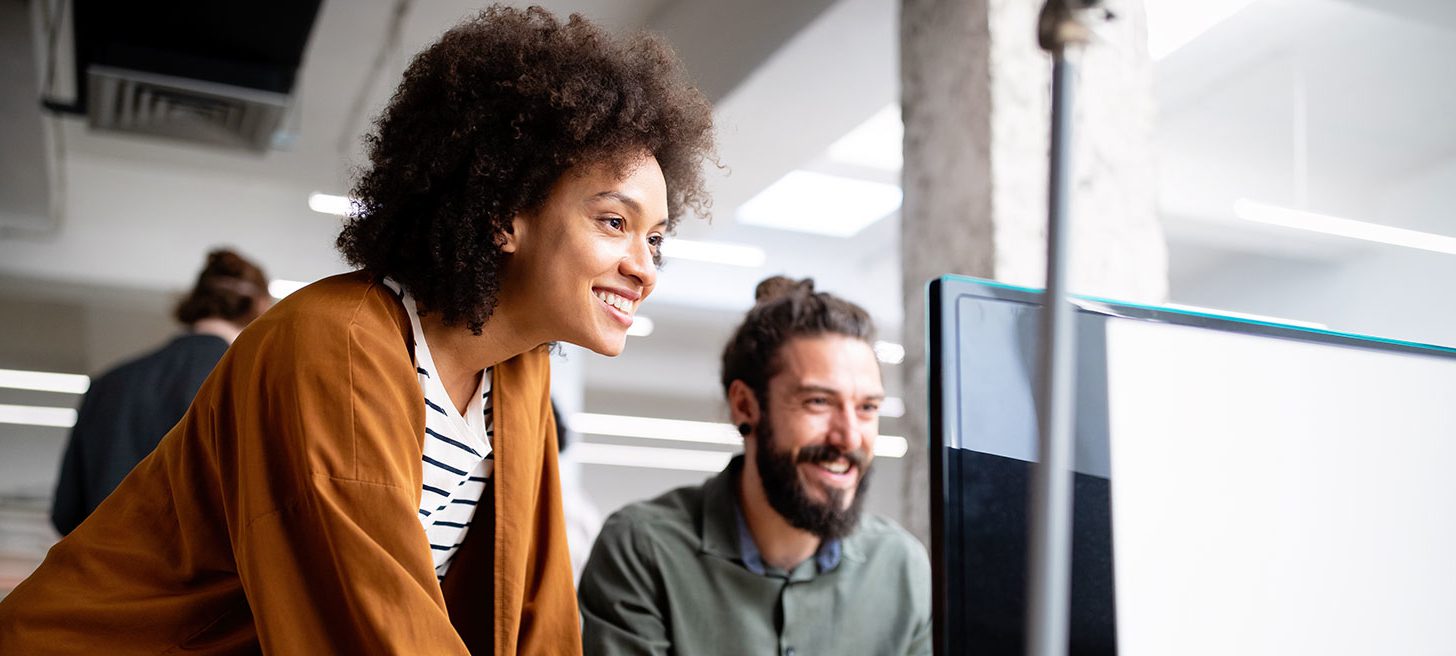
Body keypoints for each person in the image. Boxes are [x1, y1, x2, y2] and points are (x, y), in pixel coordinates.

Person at [0, 6, 714, 654]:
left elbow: (537, 619)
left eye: (656, 239)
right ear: (505, 213)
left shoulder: (518, 377)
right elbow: (375, 629)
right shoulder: (331, 347)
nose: (644, 268)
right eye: (614, 222)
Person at [579, 276, 933, 655]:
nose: (848, 437)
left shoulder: (901, 566)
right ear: (745, 406)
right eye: (818, 402)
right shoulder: (643, 550)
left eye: (867, 408)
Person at [50, 249, 272, 536]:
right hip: (199, 577)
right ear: (261, 307)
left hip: (102, 572)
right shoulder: (249, 385)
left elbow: (66, 513)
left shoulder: (108, 385)